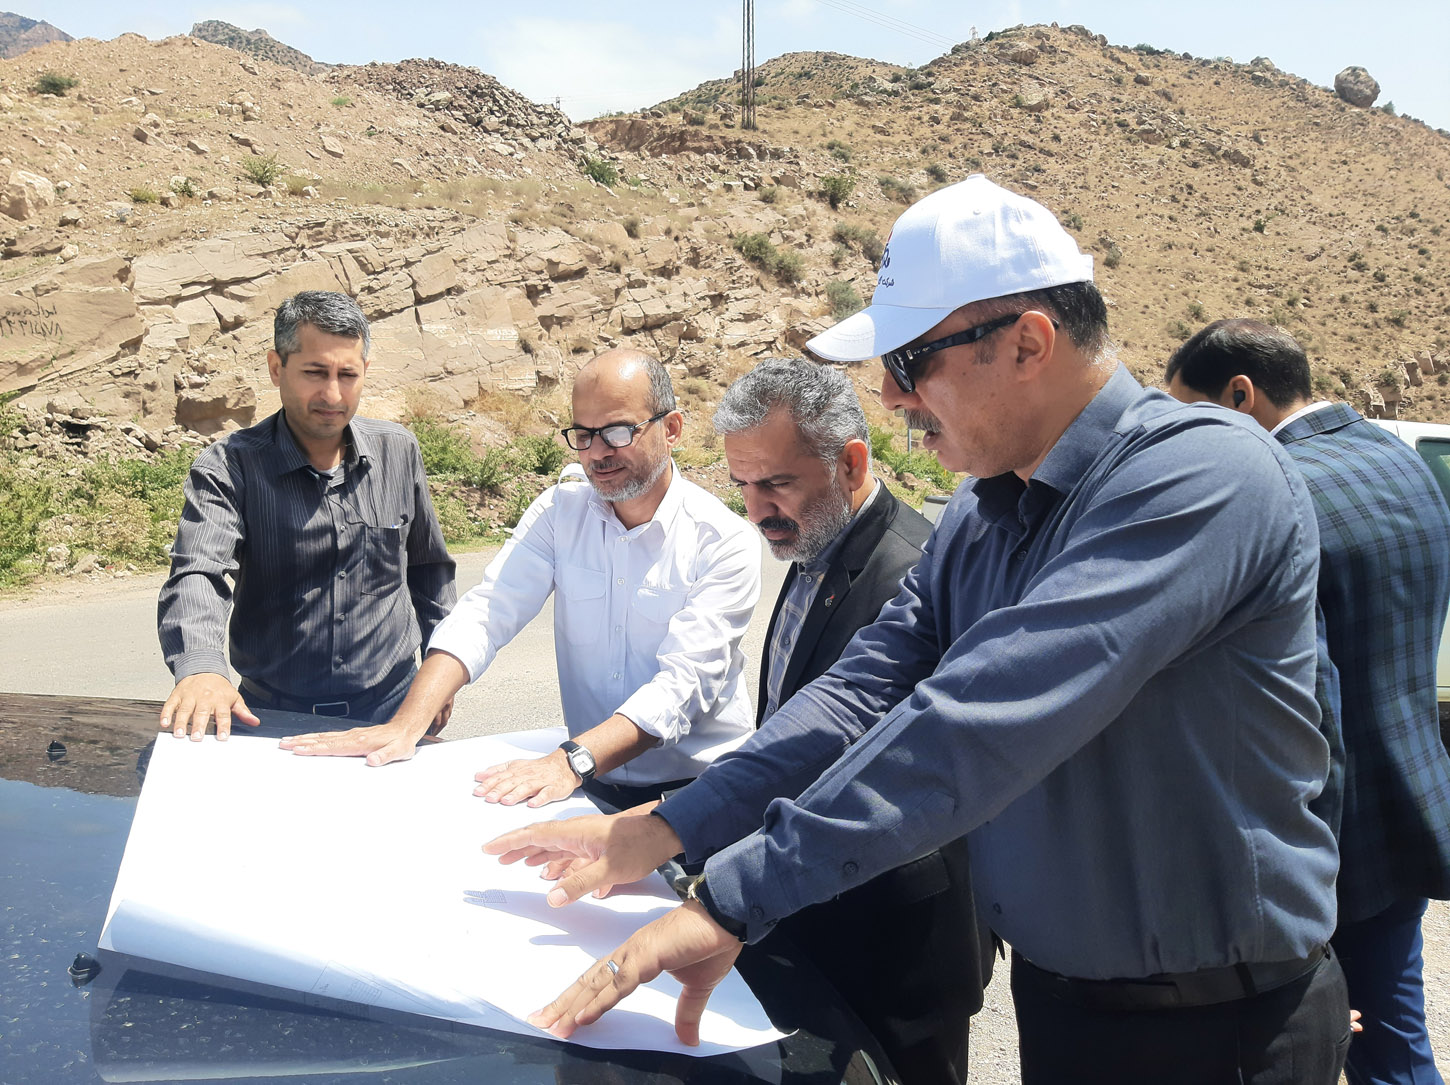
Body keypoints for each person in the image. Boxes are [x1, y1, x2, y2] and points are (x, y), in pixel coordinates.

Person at [484, 176, 1349, 1084]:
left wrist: (733, 897)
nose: (891, 396)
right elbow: (862, 690)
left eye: (911, 361)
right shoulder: (984, 505)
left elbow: (981, 718)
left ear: (1028, 342)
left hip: (1218, 1029)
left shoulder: (1199, 475)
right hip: (1067, 1008)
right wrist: (670, 824)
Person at [282, 348, 762, 815]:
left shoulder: (723, 540)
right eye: (583, 434)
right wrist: (407, 724)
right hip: (589, 782)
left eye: (617, 432)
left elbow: (681, 686)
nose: (597, 453)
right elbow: (488, 610)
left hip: (696, 791)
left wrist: (568, 762)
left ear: (671, 428)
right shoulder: (560, 512)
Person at [1166, 318, 1450, 1085]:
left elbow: (1308, 708)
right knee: (1396, 1042)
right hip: (1411, 801)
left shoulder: (1276, 494)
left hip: (1332, 839)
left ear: (1240, 394)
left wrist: (1298, 887)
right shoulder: (1397, 456)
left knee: (1362, 1048)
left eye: (1192, 415)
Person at [714, 357, 987, 1085]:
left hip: (898, 944)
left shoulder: (910, 569)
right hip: (818, 911)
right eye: (742, 486)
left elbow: (906, 775)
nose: (756, 509)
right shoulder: (817, 547)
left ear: (852, 463)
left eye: (776, 484)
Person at [157, 291, 456, 739]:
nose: (332, 394)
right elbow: (199, 571)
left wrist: (440, 663)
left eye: (347, 375)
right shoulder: (230, 466)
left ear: (365, 371)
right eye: (315, 373)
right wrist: (201, 667)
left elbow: (429, 568)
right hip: (270, 720)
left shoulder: (398, 450)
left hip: (394, 710)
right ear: (277, 368)